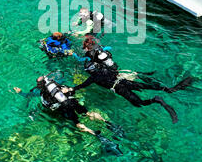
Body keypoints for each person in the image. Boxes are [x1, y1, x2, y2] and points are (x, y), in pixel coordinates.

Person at [64, 37, 193, 124]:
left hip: (120, 88)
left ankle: (156, 100)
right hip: (123, 80)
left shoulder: (93, 77)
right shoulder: (104, 66)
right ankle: (169, 89)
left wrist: (70, 88)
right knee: (146, 85)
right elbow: (111, 61)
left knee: (139, 103)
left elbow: (82, 85)